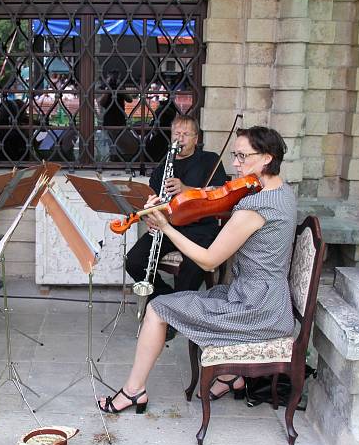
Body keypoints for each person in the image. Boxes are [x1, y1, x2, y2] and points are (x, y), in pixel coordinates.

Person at [99, 126, 296, 414]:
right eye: (234, 155)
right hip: (270, 299)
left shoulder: (255, 207)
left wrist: (166, 226)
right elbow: (214, 202)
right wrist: (172, 211)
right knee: (201, 299)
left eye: (242, 156)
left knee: (158, 308)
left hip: (256, 309)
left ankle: (133, 391)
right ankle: (230, 378)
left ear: (266, 158)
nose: (235, 163)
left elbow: (208, 261)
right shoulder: (280, 191)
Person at [125, 114, 228, 340]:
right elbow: (152, 199)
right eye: (176, 134)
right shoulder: (164, 166)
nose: (179, 139)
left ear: (196, 138)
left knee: (193, 266)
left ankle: (174, 316)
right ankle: (166, 297)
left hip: (200, 227)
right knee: (133, 261)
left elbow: (220, 197)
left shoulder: (210, 160)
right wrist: (150, 216)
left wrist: (186, 189)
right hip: (169, 226)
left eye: (185, 134)